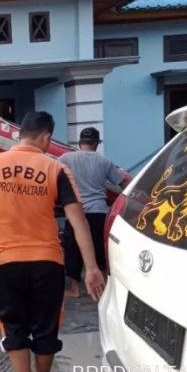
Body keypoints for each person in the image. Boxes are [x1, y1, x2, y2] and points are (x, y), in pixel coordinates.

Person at [0, 111, 105, 372]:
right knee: (45, 329)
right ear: (46, 138)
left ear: (19, 134)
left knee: (14, 327)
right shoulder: (56, 168)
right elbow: (78, 222)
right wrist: (91, 268)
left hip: (9, 261)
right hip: (48, 263)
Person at [58, 127, 130, 297]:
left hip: (75, 211)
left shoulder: (66, 158)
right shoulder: (104, 161)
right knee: (99, 248)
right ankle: (103, 286)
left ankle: (75, 288)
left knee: (72, 248)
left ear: (79, 142)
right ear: (97, 143)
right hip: (98, 211)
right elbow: (123, 182)